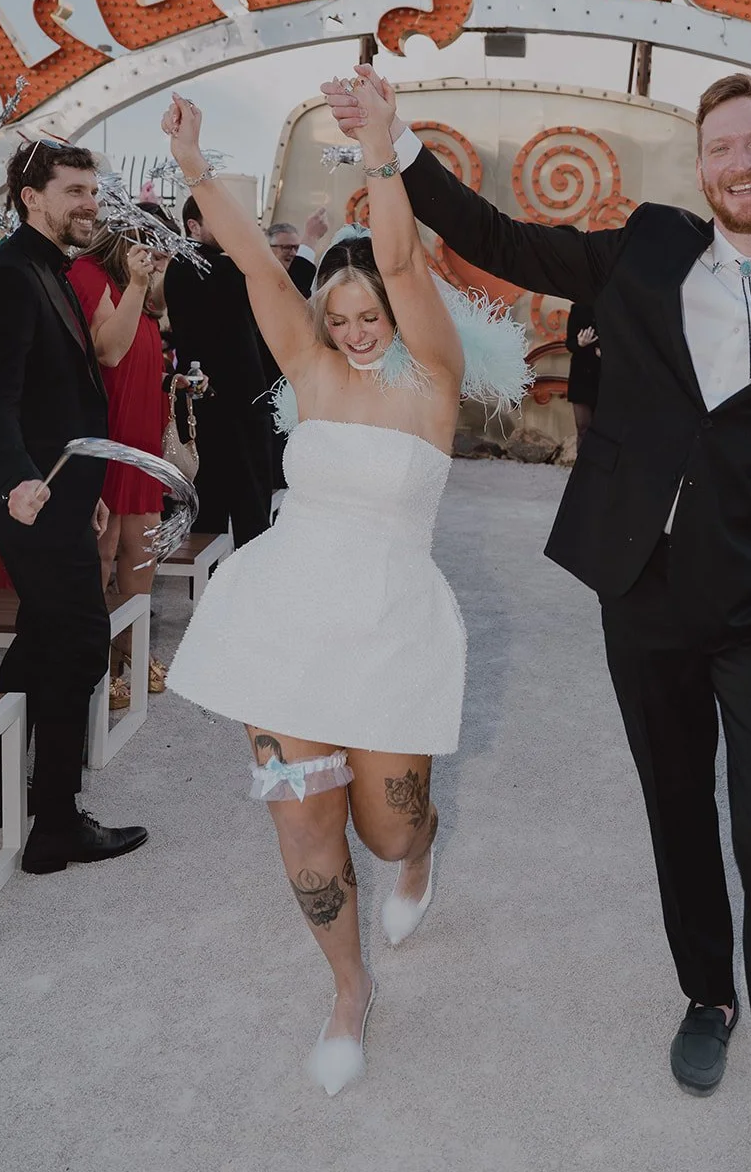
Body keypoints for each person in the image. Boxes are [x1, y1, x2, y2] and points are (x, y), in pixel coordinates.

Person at [331, 65, 751, 1171]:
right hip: (643, 589)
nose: (739, 163)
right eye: (721, 146)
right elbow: (499, 235)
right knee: (677, 807)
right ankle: (705, 993)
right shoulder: (645, 247)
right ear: (701, 167)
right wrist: (395, 147)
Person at [159, 86, 477, 1097]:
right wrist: (197, 169)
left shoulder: (430, 380)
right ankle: (346, 991)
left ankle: (422, 851)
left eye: (366, 313)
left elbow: (398, 258)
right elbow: (255, 261)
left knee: (385, 825)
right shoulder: (306, 364)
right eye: (335, 316)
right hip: (283, 618)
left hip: (390, 628)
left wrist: (380, 149)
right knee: (303, 821)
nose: (350, 329)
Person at [0, 139, 147, 873]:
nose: (91, 202)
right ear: (31, 197)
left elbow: (63, 396)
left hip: (58, 492)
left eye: (94, 189)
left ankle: (1, 802)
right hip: (28, 497)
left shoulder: (50, 269)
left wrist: (79, 488)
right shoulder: (12, 275)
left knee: (41, 640)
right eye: (75, 189)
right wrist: (24, 481)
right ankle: (54, 824)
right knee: (83, 641)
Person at [69, 222, 170, 707]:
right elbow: (110, 352)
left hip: (142, 441)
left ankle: (129, 646)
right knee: (102, 554)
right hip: (108, 439)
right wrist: (136, 282)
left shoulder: (142, 289)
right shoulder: (89, 274)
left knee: (143, 549)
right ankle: (96, 663)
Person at [164, 194, 274, 546]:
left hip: (220, 403)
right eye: (218, 218)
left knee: (218, 509)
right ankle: (235, 588)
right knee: (244, 507)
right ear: (193, 226)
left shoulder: (198, 265)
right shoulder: (201, 266)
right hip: (224, 405)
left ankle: (216, 590)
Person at [267, 208, 329, 296]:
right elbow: (294, 296)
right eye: (286, 247)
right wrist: (311, 237)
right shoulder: (260, 279)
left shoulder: (315, 281)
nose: (293, 253)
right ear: (268, 249)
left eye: (297, 248)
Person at [565, 301, 600, 442]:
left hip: (605, 377)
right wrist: (580, 343)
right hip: (581, 376)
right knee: (583, 427)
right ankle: (583, 463)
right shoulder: (578, 308)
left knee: (603, 431)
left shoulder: (614, 306)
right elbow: (569, 343)